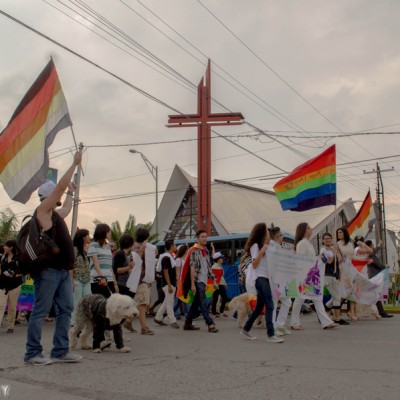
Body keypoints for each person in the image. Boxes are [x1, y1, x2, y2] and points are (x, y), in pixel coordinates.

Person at [24, 151, 82, 366]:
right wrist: (74, 165)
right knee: (40, 310)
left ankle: (60, 351)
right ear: (49, 198)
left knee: (66, 308)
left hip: (61, 271)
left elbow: (66, 207)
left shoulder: (55, 215)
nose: (58, 200)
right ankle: (32, 353)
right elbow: (59, 189)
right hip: (48, 271)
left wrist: (70, 193)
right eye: (56, 196)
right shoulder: (42, 212)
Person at [240, 223, 284, 343]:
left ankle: (246, 329)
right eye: (266, 231)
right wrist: (262, 251)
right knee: (270, 304)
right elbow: (254, 264)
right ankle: (271, 334)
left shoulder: (268, 246)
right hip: (259, 277)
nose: (268, 233)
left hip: (267, 278)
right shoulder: (256, 246)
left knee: (259, 307)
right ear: (262, 233)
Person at [290, 223, 337, 330]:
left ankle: (326, 322)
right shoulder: (302, 243)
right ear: (303, 230)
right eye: (308, 228)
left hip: (310, 275)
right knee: (300, 299)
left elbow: (311, 259)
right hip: (304, 275)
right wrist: (318, 258)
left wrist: (321, 258)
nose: (310, 230)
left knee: (316, 298)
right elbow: (301, 260)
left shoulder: (308, 243)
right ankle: (294, 322)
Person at [183, 230, 219, 333]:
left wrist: (214, 281)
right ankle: (210, 324)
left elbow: (208, 268)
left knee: (196, 303)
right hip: (198, 280)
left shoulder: (205, 251)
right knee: (203, 303)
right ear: (197, 238)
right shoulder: (194, 250)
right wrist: (193, 284)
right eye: (202, 237)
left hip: (204, 281)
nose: (204, 238)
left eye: (205, 236)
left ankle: (187, 323)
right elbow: (192, 267)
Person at [268, 227, 292, 336]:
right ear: (278, 237)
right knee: (274, 303)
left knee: (287, 302)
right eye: (282, 236)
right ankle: (273, 327)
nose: (283, 238)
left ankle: (280, 325)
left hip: (281, 282)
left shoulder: (277, 248)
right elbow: (272, 267)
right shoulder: (272, 249)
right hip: (275, 282)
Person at [320, 232, 348, 325]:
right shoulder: (323, 250)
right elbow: (329, 261)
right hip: (327, 275)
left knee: (336, 297)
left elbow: (337, 261)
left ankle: (323, 314)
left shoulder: (332, 249)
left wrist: (340, 255)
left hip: (334, 275)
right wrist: (335, 251)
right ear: (323, 241)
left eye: (329, 238)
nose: (328, 240)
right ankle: (337, 318)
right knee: (336, 297)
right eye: (326, 238)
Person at [132, 227, 155, 335]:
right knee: (142, 303)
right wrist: (142, 250)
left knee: (140, 303)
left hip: (142, 278)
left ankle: (128, 321)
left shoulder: (141, 246)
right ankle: (144, 327)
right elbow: (136, 262)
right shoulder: (137, 247)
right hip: (140, 279)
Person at [154, 239, 179, 328]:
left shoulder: (169, 257)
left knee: (166, 302)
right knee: (170, 302)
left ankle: (158, 318)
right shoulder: (166, 258)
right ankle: (172, 320)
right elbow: (165, 271)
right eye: (174, 245)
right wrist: (169, 285)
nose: (175, 246)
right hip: (168, 284)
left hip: (170, 283)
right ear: (171, 246)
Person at [365, 239, 393, 318]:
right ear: (370, 246)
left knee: (376, 295)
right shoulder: (370, 255)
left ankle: (381, 312)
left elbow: (374, 251)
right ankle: (381, 312)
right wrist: (385, 266)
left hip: (374, 277)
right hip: (375, 277)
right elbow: (378, 265)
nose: (373, 248)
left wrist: (379, 245)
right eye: (372, 246)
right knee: (375, 295)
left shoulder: (369, 254)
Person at [88, 224, 118, 298]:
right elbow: (96, 263)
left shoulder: (108, 248)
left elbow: (110, 267)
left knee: (108, 306)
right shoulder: (93, 245)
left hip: (109, 280)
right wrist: (101, 276)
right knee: (98, 305)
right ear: (103, 232)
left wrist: (115, 284)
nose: (110, 233)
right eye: (108, 231)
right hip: (98, 280)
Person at [0, 240, 23, 333]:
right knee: (0, 305)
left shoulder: (19, 259)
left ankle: (10, 326)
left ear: (11, 247)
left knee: (12, 306)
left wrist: (13, 274)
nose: (4, 247)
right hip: (2, 284)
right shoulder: (3, 257)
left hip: (15, 285)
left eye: (6, 246)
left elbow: (23, 272)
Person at [70, 229, 91, 327]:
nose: (89, 237)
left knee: (87, 302)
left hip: (86, 280)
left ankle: (85, 322)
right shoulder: (74, 250)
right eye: (88, 235)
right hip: (77, 279)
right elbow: (70, 266)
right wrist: (71, 281)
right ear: (83, 237)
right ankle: (74, 322)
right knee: (77, 302)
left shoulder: (85, 251)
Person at [334, 227, 356, 321]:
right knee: (343, 292)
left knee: (352, 291)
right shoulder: (336, 244)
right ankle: (333, 310)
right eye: (338, 232)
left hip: (351, 268)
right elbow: (335, 257)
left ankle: (351, 311)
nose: (339, 234)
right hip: (342, 269)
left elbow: (353, 256)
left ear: (345, 233)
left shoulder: (351, 244)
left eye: (340, 232)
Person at [173, 244, 189, 319]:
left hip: (186, 281)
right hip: (181, 281)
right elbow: (177, 272)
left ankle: (174, 313)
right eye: (187, 249)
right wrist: (178, 281)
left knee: (183, 298)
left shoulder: (186, 259)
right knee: (179, 299)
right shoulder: (178, 259)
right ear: (185, 250)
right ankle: (173, 313)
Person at [211, 252, 228, 318]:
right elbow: (214, 278)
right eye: (221, 258)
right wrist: (216, 285)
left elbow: (221, 277)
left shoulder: (219, 266)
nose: (222, 259)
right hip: (218, 285)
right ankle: (218, 312)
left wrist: (225, 283)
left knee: (215, 299)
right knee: (223, 298)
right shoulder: (214, 267)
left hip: (220, 285)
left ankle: (216, 312)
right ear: (218, 259)